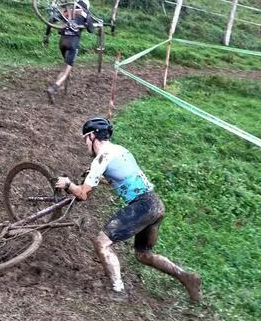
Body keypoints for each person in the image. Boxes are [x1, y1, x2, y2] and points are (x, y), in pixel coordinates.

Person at [55, 116, 202, 301]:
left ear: (92, 136)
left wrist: (68, 184)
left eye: (85, 138)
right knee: (143, 254)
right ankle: (186, 277)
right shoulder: (120, 150)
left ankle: (118, 291)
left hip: (142, 206)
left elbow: (83, 195)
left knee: (101, 243)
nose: (85, 144)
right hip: (155, 204)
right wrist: (98, 179)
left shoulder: (101, 158)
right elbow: (122, 178)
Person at [44, 0, 95, 104]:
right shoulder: (84, 13)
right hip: (73, 43)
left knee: (65, 66)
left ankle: (62, 87)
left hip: (62, 42)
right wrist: (86, 23)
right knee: (67, 70)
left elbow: (51, 20)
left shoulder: (68, 11)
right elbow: (91, 30)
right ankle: (53, 88)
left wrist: (46, 36)